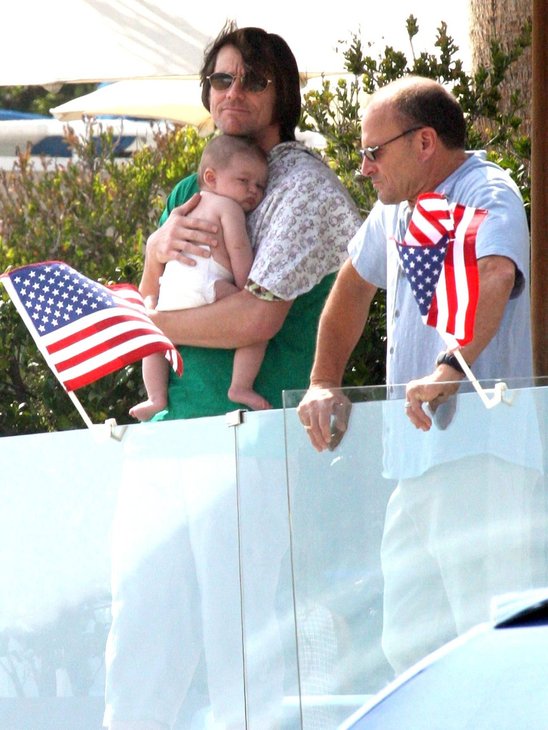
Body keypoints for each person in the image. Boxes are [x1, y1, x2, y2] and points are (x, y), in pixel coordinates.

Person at [103, 21, 361, 730]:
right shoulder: (200, 179)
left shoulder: (302, 187)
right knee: (143, 628)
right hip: (172, 434)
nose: (233, 91)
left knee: (241, 638)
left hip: (245, 439)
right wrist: (157, 247)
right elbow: (155, 288)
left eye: (252, 78)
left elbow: (256, 318)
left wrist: (145, 324)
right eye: (221, 78)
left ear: (284, 91)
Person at [297, 76, 541, 674]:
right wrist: (323, 379)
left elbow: (496, 275)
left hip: (483, 460)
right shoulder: (397, 211)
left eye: (373, 152)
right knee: (410, 649)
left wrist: (450, 367)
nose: (364, 168)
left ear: (425, 141)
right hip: (415, 463)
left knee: (491, 645)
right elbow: (351, 288)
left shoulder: (487, 193)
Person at [129, 134, 270, 421]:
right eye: (244, 181)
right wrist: (245, 287)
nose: (253, 191)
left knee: (154, 341)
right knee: (258, 326)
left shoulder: (190, 204)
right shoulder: (228, 207)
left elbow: (158, 271)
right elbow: (239, 248)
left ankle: (155, 397)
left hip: (171, 292)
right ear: (211, 177)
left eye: (259, 185)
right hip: (209, 285)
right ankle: (240, 386)